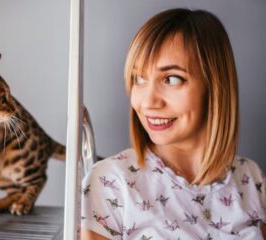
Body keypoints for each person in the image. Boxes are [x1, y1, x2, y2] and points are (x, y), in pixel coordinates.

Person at [81, 8, 266, 240]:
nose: (148, 102)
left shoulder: (251, 178)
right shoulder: (110, 184)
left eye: (171, 79)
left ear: (215, 87)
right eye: (139, 78)